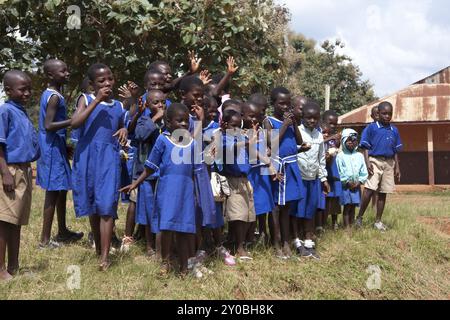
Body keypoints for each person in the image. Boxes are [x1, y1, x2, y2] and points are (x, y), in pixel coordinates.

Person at [120, 103, 205, 275]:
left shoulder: (193, 144)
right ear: (168, 122)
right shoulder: (162, 140)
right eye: (179, 121)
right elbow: (150, 167)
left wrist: (200, 196)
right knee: (166, 229)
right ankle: (165, 263)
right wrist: (135, 183)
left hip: (186, 194)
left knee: (183, 231)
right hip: (166, 192)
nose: (183, 124)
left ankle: (183, 267)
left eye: (186, 121)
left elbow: (197, 173)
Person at [71, 63, 128, 271]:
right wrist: (96, 100)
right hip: (87, 157)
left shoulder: (119, 106)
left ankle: (105, 256)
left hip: (108, 158)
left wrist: (123, 129)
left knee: (107, 206)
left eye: (110, 78)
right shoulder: (85, 99)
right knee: (93, 204)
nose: (107, 83)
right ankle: (98, 248)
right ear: (93, 84)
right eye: (101, 81)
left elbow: (123, 124)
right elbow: (76, 122)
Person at [37, 59, 83, 249]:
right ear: (50, 75)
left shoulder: (55, 94)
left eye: (67, 70)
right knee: (53, 192)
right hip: (51, 149)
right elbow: (48, 125)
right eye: (62, 71)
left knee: (62, 188)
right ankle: (44, 240)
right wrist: (72, 121)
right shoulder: (54, 97)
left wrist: (64, 145)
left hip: (57, 147)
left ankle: (62, 231)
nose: (67, 74)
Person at [0, 70, 40, 281]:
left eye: (29, 89)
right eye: (22, 89)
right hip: (10, 170)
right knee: (5, 222)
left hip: (24, 170)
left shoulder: (21, 111)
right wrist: (5, 173)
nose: (27, 93)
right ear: (8, 90)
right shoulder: (5, 111)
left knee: (16, 221)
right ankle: (1, 269)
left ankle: (14, 266)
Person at [263, 87, 304, 259]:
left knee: (287, 208)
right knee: (276, 209)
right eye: (281, 104)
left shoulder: (291, 120)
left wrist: (293, 124)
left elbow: (300, 141)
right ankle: (276, 244)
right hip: (277, 168)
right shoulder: (269, 121)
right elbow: (271, 145)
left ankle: (286, 242)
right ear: (273, 104)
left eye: (288, 104)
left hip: (291, 166)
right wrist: (285, 125)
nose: (285, 107)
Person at [291, 101, 330, 259]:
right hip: (299, 178)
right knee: (296, 211)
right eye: (309, 118)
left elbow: (321, 159)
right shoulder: (297, 131)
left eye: (315, 118)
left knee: (310, 211)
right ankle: (297, 242)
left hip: (313, 179)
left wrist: (323, 178)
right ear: (303, 117)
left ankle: (308, 242)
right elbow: (291, 151)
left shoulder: (319, 135)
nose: (312, 121)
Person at [356, 101, 402, 231]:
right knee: (369, 189)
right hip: (374, 160)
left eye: (390, 114)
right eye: (384, 113)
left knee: (383, 192)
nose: (387, 116)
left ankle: (378, 221)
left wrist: (397, 167)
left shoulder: (394, 130)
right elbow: (365, 147)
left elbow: (396, 151)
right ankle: (359, 217)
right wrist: (367, 162)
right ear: (378, 113)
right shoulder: (371, 128)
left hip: (389, 163)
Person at [220, 107, 257, 260]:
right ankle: (239, 248)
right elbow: (228, 150)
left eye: (238, 126)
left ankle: (234, 242)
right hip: (232, 181)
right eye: (233, 126)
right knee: (238, 216)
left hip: (245, 179)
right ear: (224, 124)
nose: (236, 129)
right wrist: (247, 143)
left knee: (248, 215)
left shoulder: (241, 138)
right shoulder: (222, 138)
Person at [336, 129, 368, 228]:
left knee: (353, 205)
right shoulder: (340, 156)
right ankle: (346, 227)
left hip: (356, 185)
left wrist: (360, 181)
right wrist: (346, 181)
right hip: (346, 186)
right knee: (347, 206)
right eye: (348, 140)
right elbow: (339, 171)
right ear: (343, 141)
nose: (351, 142)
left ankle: (352, 224)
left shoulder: (359, 156)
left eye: (353, 140)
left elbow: (363, 170)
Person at [321, 110, 343, 231]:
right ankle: (322, 223)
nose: (333, 126)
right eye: (330, 123)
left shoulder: (334, 139)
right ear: (323, 122)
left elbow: (335, 150)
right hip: (324, 170)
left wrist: (337, 141)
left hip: (334, 170)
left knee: (335, 197)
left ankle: (334, 222)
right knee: (325, 197)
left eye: (335, 124)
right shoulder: (321, 136)